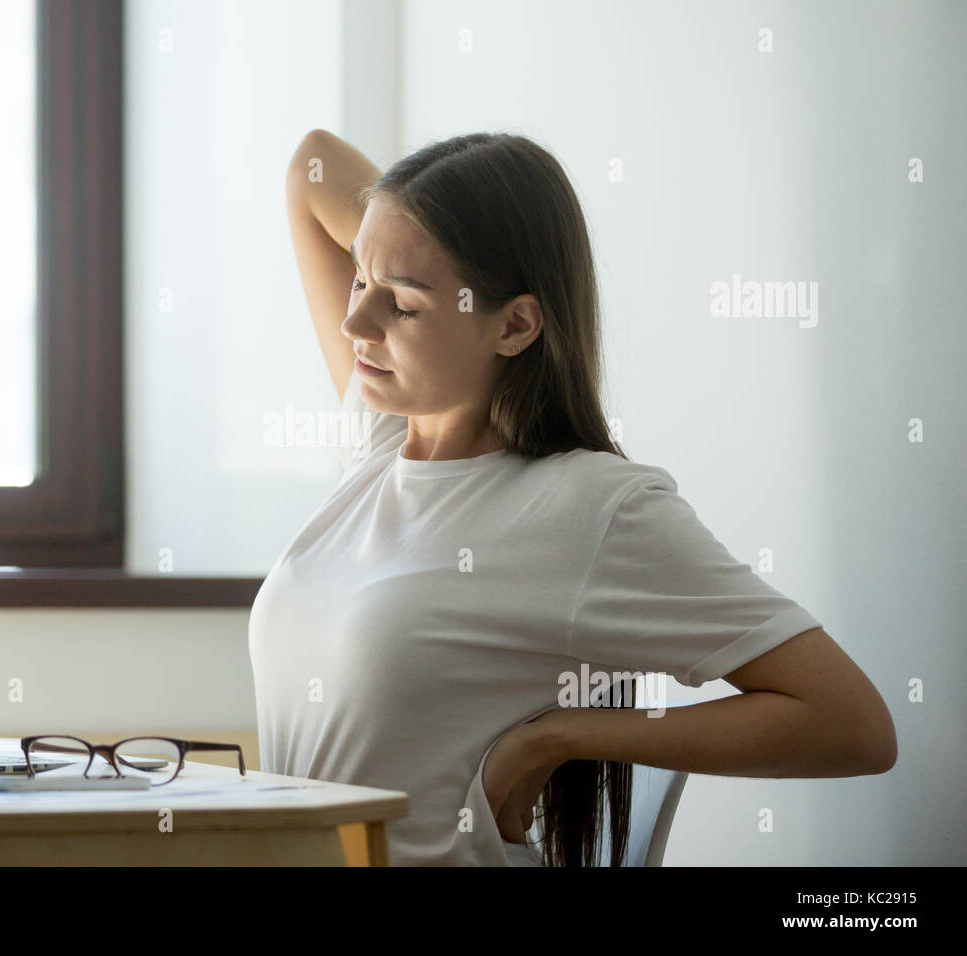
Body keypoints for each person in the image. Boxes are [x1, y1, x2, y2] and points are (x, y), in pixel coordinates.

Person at [247, 128, 896, 866]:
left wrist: (556, 738)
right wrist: (401, 238)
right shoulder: (382, 444)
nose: (353, 321)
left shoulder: (591, 508)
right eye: (360, 282)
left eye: (401, 304)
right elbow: (311, 167)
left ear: (516, 324)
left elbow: (852, 724)